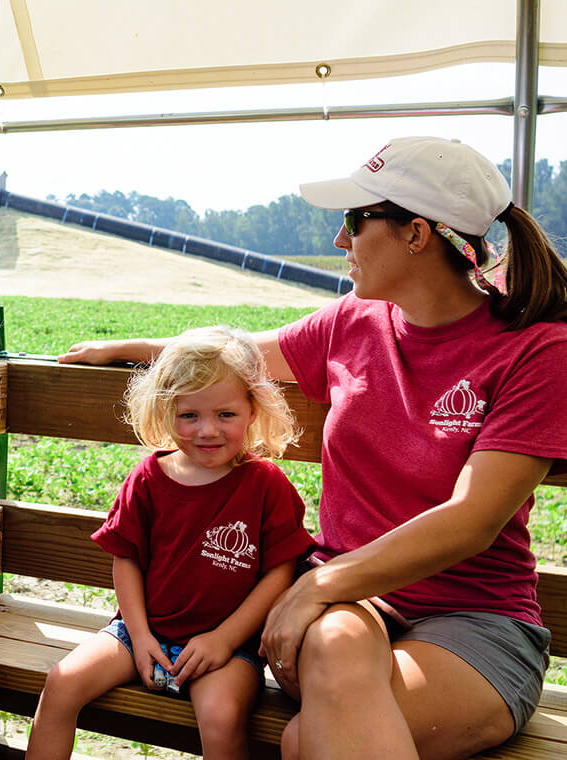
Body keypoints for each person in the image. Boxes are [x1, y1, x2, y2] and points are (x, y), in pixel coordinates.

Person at [59, 136, 567, 760]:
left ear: (416, 234)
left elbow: (473, 520)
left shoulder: (536, 350)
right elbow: (237, 352)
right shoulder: (351, 320)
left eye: (355, 221)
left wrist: (313, 587)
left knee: (306, 742)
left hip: (475, 624)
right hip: (345, 611)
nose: (339, 242)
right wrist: (131, 347)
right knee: (332, 654)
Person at [27, 327, 314, 760]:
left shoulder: (265, 485)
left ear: (252, 410)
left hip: (230, 645)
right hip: (140, 631)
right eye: (189, 416)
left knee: (220, 715)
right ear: (167, 412)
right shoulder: (148, 479)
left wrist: (222, 639)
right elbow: (125, 559)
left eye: (225, 415)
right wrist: (140, 638)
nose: (207, 431)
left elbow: (281, 572)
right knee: (63, 682)